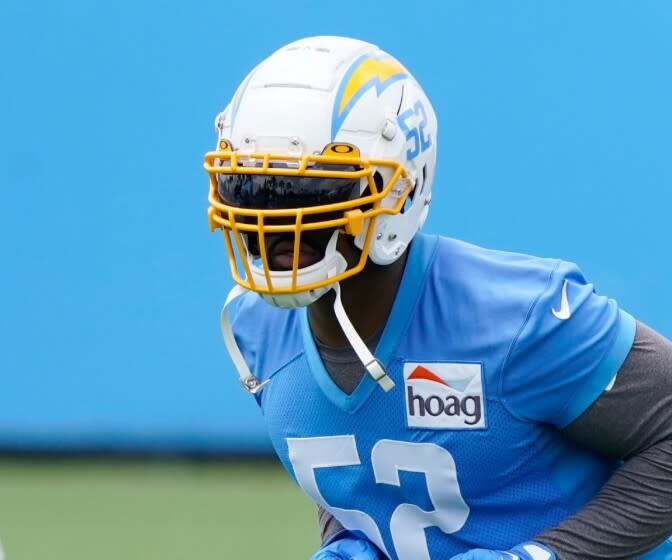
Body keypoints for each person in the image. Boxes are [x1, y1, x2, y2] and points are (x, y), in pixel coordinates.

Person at [204, 36, 672, 560]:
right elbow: (360, 470)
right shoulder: (255, 331)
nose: (273, 221)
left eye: (309, 192)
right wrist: (347, 542)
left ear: (398, 192)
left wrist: (541, 557)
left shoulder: (515, 317)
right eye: (248, 186)